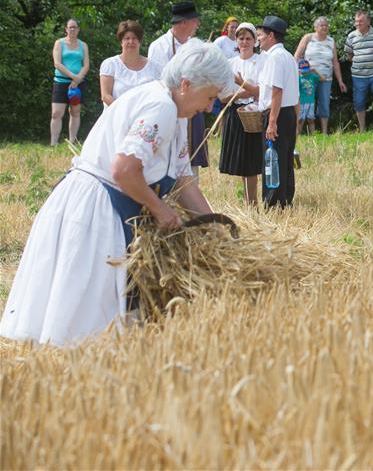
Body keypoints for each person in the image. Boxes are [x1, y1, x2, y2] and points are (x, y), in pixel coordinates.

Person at [0, 44, 232, 345]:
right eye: (211, 96)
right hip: (94, 211)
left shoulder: (175, 111)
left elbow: (184, 180)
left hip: (98, 203)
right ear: (187, 85)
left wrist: (211, 227)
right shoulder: (159, 106)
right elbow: (123, 170)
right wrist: (160, 209)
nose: (210, 107)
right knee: (82, 332)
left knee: (83, 328)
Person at [148, 1, 208, 178]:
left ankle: (191, 190)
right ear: (184, 22)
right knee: (168, 151)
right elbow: (159, 82)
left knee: (193, 155)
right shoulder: (159, 46)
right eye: (195, 21)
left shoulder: (195, 45)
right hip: (169, 109)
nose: (197, 25)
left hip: (192, 107)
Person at [257, 15, 299, 208]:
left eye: (260, 35)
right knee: (285, 158)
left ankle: (272, 202)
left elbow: (276, 91)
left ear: (271, 35)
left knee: (272, 158)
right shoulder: (289, 56)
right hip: (288, 113)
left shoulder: (274, 58)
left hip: (277, 113)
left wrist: (272, 121)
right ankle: (285, 199)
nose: (258, 39)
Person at [219, 22, 263, 205]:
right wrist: (243, 91)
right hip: (234, 113)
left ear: (254, 41)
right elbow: (222, 94)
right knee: (240, 161)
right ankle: (246, 200)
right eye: (241, 38)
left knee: (251, 162)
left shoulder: (262, 61)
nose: (244, 42)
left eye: (248, 38)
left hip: (252, 114)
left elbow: (261, 90)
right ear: (236, 41)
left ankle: (252, 201)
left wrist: (242, 86)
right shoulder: (230, 63)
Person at [294, 16, 347, 134]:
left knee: (324, 103)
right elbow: (297, 56)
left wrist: (340, 81)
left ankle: (323, 132)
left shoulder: (331, 41)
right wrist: (298, 72)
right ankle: (299, 133)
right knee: (304, 103)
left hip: (326, 78)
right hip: (308, 78)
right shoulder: (308, 38)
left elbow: (335, 62)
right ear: (315, 27)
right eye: (321, 25)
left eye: (326, 25)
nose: (324, 27)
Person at [344, 10, 373, 131]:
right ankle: (362, 128)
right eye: (356, 21)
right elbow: (349, 55)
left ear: (368, 21)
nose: (358, 23)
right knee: (359, 102)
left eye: (361, 21)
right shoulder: (351, 36)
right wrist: (360, 63)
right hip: (358, 75)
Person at [99, 20, 162, 106]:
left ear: (139, 41)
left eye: (134, 38)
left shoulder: (155, 67)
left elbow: (159, 95)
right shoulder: (110, 64)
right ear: (121, 42)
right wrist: (126, 111)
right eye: (127, 38)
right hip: (117, 115)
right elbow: (106, 96)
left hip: (146, 116)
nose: (131, 42)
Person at [50, 18, 90, 145]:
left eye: (75, 27)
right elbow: (57, 63)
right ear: (66, 29)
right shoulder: (59, 43)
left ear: (78, 29)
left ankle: (72, 141)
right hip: (61, 82)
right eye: (70, 27)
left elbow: (86, 65)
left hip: (77, 84)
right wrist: (73, 77)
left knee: (75, 111)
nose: (72, 29)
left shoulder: (83, 45)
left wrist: (78, 79)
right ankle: (53, 143)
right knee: (56, 113)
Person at [297, 58, 322, 136]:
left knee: (311, 119)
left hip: (311, 101)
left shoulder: (312, 76)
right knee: (300, 120)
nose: (305, 73)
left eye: (307, 70)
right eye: (303, 71)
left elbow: (322, 78)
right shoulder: (298, 78)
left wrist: (315, 71)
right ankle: (298, 136)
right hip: (301, 102)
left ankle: (313, 135)